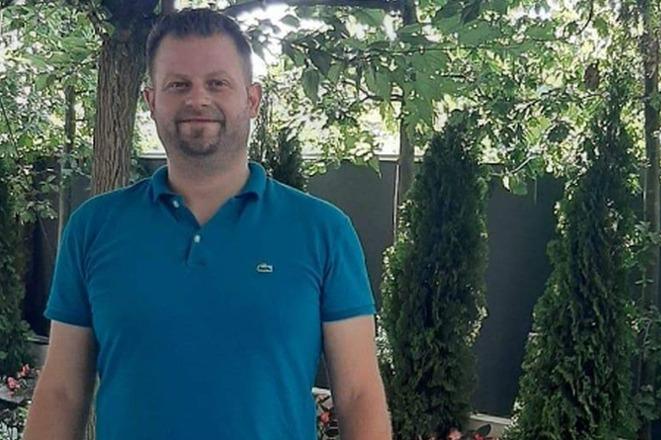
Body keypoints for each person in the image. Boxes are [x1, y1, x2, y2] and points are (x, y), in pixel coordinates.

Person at [22, 8, 391, 440]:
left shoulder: (324, 232)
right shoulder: (93, 228)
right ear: (151, 101)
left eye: (217, 83)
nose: (197, 99)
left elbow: (358, 394)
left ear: (252, 100)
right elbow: (62, 393)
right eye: (178, 85)